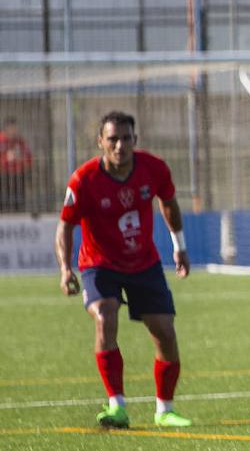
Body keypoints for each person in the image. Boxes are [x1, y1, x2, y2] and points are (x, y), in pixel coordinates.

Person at [55, 111, 192, 428]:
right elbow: (65, 227)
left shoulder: (153, 168)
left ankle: (165, 410)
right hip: (99, 263)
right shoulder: (84, 180)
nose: (120, 145)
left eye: (126, 138)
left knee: (165, 332)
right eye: (112, 139)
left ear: (135, 140)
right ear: (100, 142)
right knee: (105, 315)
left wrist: (180, 245)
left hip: (143, 262)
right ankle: (117, 406)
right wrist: (65, 269)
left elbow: (169, 203)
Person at [0, 119, 34, 212]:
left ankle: (18, 211)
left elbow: (29, 158)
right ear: (6, 129)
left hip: (18, 175)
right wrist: (6, 158)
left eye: (15, 129)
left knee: (18, 199)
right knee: (4, 199)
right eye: (11, 129)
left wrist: (21, 158)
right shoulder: (1, 141)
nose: (14, 132)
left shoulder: (20, 142)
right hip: (3, 175)